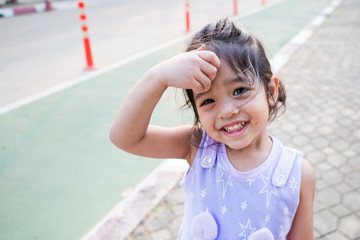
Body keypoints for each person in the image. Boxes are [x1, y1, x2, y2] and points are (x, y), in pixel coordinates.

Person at [109, 18, 316, 240]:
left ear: (271, 91)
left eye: (239, 91)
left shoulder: (298, 173)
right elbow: (125, 138)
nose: (226, 111)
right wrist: (157, 77)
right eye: (208, 101)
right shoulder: (197, 146)